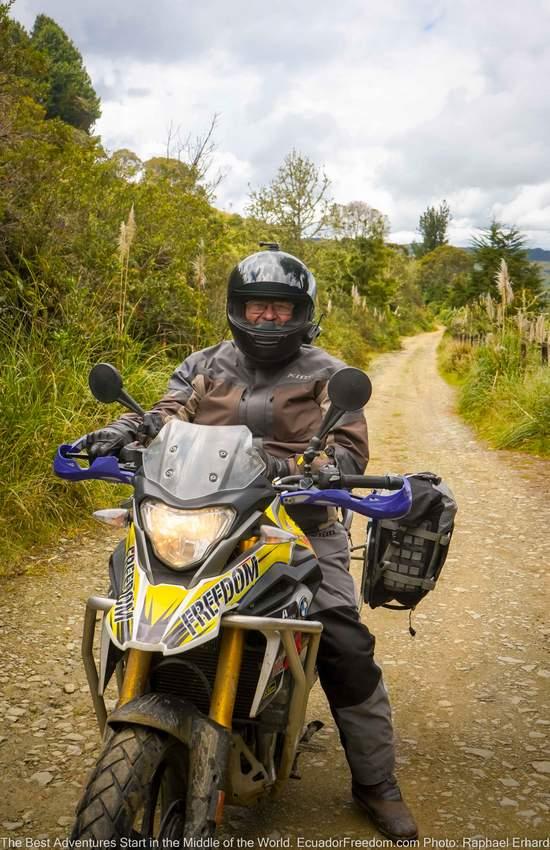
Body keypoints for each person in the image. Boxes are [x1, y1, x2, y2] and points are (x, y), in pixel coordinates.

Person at [84, 246, 418, 842]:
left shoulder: (325, 373)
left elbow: (346, 444)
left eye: (281, 308)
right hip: (202, 517)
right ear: (237, 309)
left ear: (303, 314)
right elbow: (165, 414)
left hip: (299, 525)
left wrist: (326, 464)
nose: (267, 319)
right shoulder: (206, 364)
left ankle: (376, 783)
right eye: (256, 306)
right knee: (133, 599)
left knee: (340, 637)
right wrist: (125, 430)